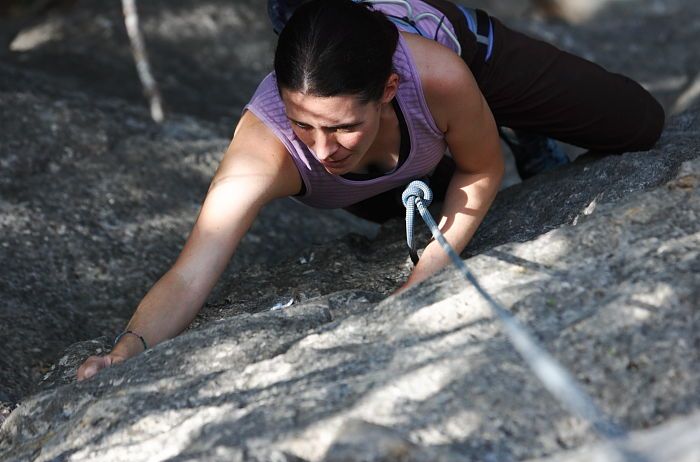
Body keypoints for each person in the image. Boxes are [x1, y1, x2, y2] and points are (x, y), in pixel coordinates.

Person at [77, 0, 664, 381]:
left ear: (387, 89)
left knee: (637, 124)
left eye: (340, 127)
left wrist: (422, 278)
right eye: (304, 123)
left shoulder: (437, 74)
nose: (321, 148)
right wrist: (128, 348)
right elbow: (191, 271)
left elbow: (480, 172)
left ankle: (519, 117)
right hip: (397, 163)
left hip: (450, 53)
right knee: (398, 198)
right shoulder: (266, 147)